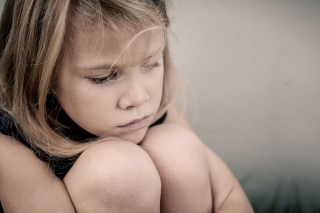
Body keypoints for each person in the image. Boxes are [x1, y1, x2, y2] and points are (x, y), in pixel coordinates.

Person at [0, 0, 253, 212]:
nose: (138, 97)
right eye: (104, 77)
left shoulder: (152, 107)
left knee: (178, 148)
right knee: (121, 175)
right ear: (43, 76)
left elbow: (229, 196)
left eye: (152, 64)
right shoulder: (9, 144)